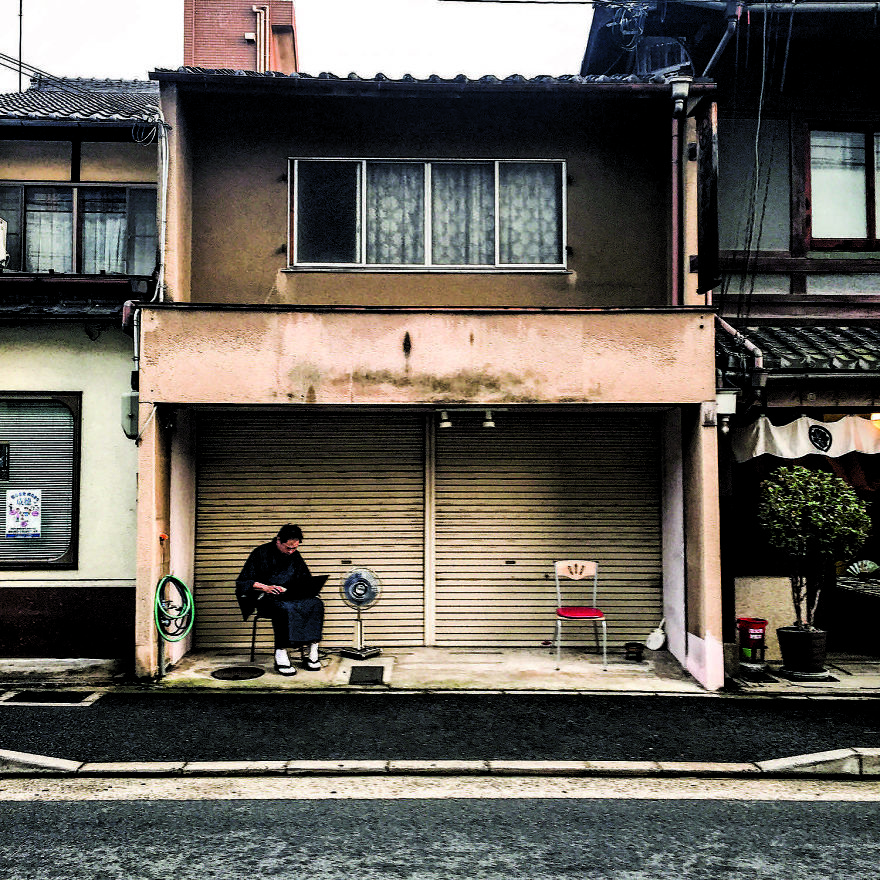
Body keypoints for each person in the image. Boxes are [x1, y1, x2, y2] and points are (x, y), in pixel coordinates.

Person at [235, 524, 325, 674]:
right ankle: (281, 652)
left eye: (294, 548)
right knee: (283, 609)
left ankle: (313, 650)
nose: (291, 551)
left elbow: (305, 579)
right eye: (288, 548)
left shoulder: (295, 555)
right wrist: (266, 587)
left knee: (316, 604)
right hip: (266, 597)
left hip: (291, 595)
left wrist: (304, 589)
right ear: (278, 540)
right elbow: (243, 582)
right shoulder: (260, 553)